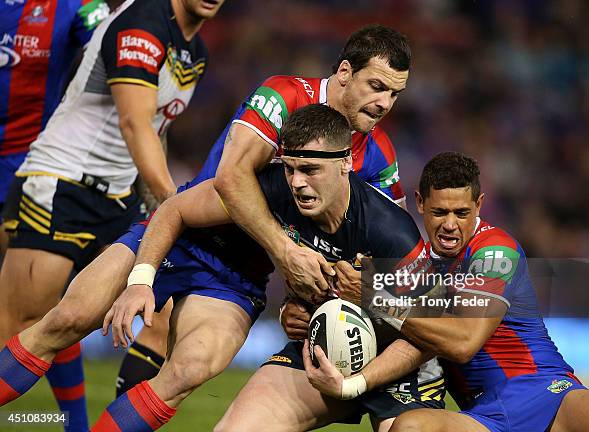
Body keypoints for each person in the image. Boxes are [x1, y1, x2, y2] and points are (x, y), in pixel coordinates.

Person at [115, 23, 412, 394]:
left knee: (183, 370)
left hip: (241, 276)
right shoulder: (284, 96)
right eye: (377, 87)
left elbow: (382, 258)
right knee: (69, 319)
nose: (385, 103)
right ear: (345, 73)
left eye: (395, 94)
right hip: (188, 230)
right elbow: (232, 177)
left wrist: (307, 302)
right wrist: (287, 253)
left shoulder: (379, 154)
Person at [0, 0, 223, 422]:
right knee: (30, 324)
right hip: (62, 183)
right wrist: (177, 204)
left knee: (161, 311)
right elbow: (134, 124)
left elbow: (156, 133)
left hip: (122, 197)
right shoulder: (142, 22)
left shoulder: (196, 53)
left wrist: (158, 205)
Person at [327, 151, 589, 432]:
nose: (450, 225)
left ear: (479, 205)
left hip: (548, 393)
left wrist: (375, 297)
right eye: (440, 212)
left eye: (461, 213)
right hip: (483, 416)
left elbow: (463, 342)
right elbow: (411, 339)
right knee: (410, 427)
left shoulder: (494, 250)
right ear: (420, 203)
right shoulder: (412, 267)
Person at [0, 1, 110, 430]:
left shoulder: (80, 8)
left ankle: (76, 425)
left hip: (30, 166)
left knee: (36, 311)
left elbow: (113, 49)